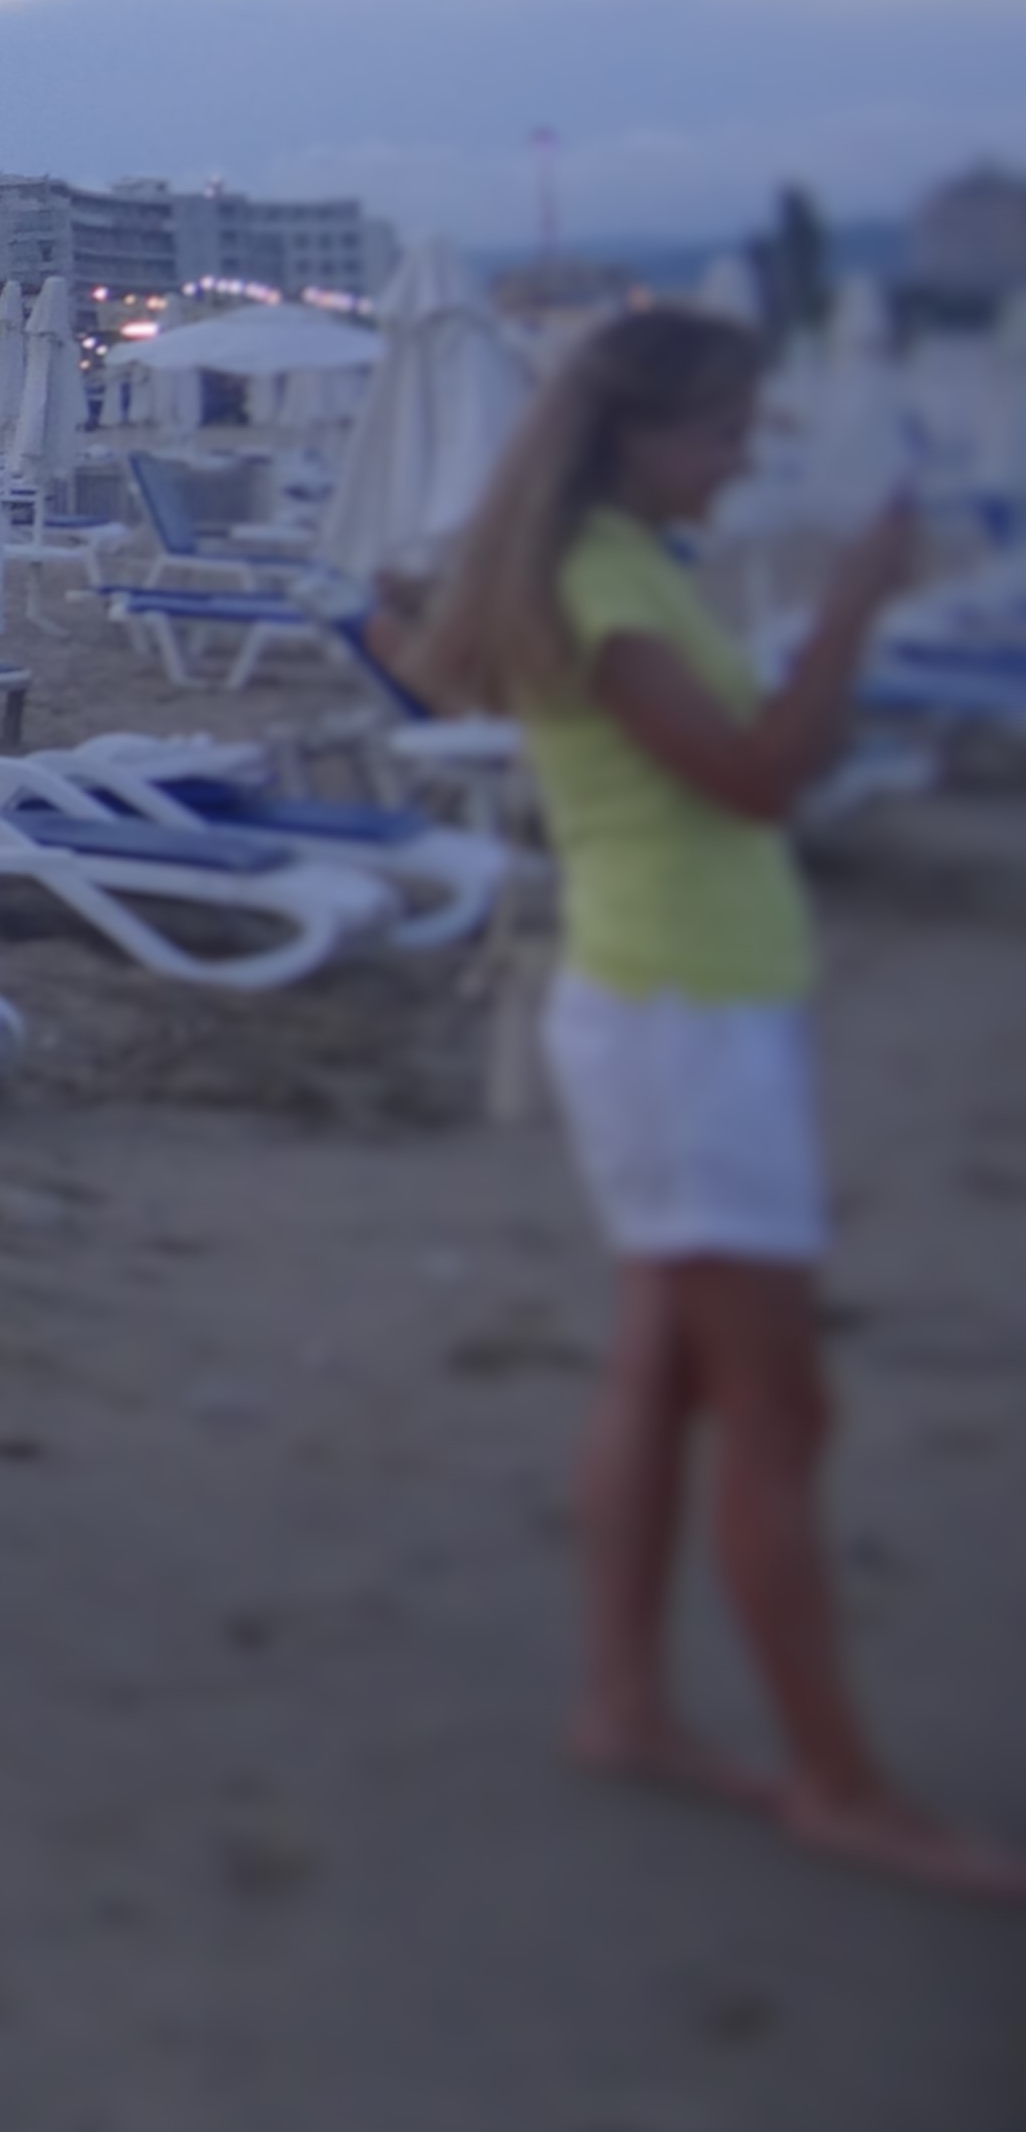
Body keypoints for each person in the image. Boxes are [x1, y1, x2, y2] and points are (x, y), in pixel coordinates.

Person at [413, 307, 1016, 1897]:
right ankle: (840, 1784)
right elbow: (757, 777)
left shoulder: (628, 563)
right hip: (680, 1020)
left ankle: (624, 1706)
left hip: (684, 1001)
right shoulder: (607, 589)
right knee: (778, 1410)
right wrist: (852, 612)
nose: (745, 460)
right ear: (635, 433)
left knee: (673, 1370)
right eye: (726, 431)